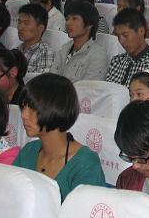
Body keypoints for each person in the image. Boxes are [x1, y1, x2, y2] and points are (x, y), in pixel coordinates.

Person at [13, 73, 106, 201]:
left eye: (32, 108)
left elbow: (85, 211)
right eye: (23, 107)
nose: (24, 115)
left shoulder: (85, 163)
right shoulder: (28, 151)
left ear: (56, 109)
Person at [106, 9, 149, 86]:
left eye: (125, 35)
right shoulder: (116, 61)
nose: (121, 41)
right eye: (118, 36)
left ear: (141, 31)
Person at [51, 0, 108, 82]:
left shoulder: (98, 55)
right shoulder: (64, 48)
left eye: (74, 18)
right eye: (67, 19)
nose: (68, 23)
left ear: (89, 25)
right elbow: (51, 78)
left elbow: (90, 87)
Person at [17, 3, 55, 74]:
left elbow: (43, 79)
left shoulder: (45, 53)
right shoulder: (17, 50)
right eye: (19, 22)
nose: (20, 27)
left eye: (26, 23)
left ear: (40, 28)